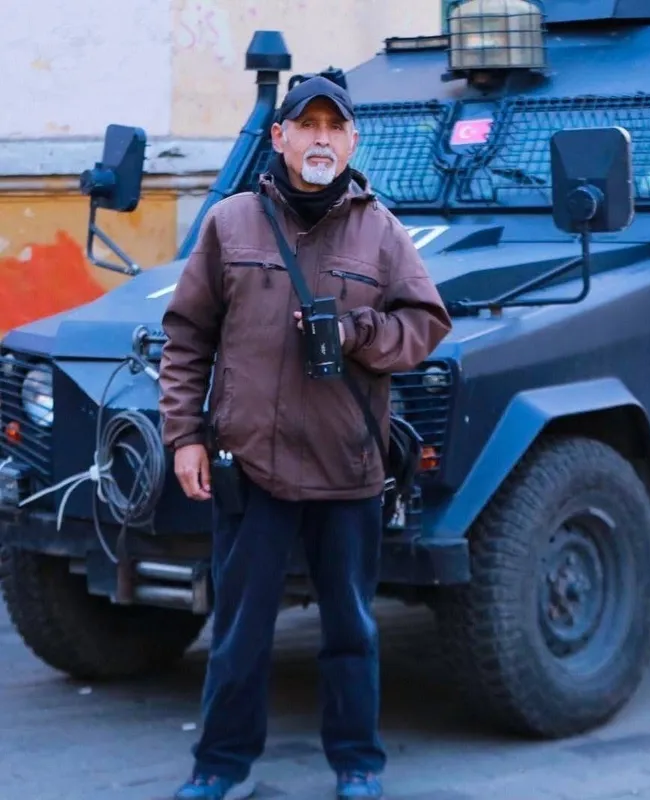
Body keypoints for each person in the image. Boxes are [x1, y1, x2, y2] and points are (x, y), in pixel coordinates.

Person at [157, 74, 453, 800]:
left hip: (347, 468)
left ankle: (358, 764)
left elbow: (426, 326)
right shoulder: (230, 222)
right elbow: (187, 334)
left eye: (334, 126)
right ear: (280, 137)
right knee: (239, 633)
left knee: (351, 631)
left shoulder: (381, 230)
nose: (321, 137)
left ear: (352, 141)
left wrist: (358, 334)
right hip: (251, 465)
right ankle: (218, 768)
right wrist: (184, 437)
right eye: (307, 125)